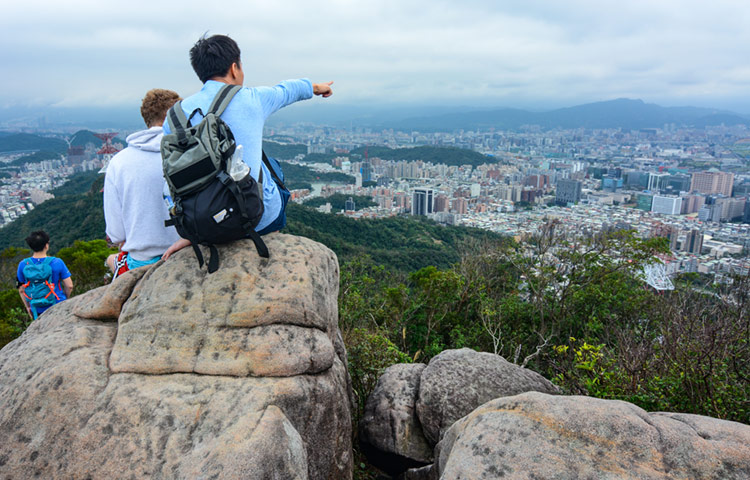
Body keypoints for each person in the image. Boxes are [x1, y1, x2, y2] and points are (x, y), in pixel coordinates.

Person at [161, 34, 333, 259]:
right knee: (271, 165)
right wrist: (317, 87)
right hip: (255, 218)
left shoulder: (174, 116)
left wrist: (190, 229)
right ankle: (269, 234)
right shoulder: (252, 98)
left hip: (200, 223)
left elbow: (170, 180)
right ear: (234, 68)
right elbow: (288, 90)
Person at [103, 89, 183, 279]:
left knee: (111, 259)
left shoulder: (119, 162)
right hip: (189, 252)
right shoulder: (191, 151)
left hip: (142, 261)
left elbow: (116, 234)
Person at [17, 230, 73, 320]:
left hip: (37, 308)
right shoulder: (57, 262)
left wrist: (28, 307)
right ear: (46, 245)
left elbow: (21, 290)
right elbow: (69, 285)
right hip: (57, 304)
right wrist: (64, 299)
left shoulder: (23, 264)